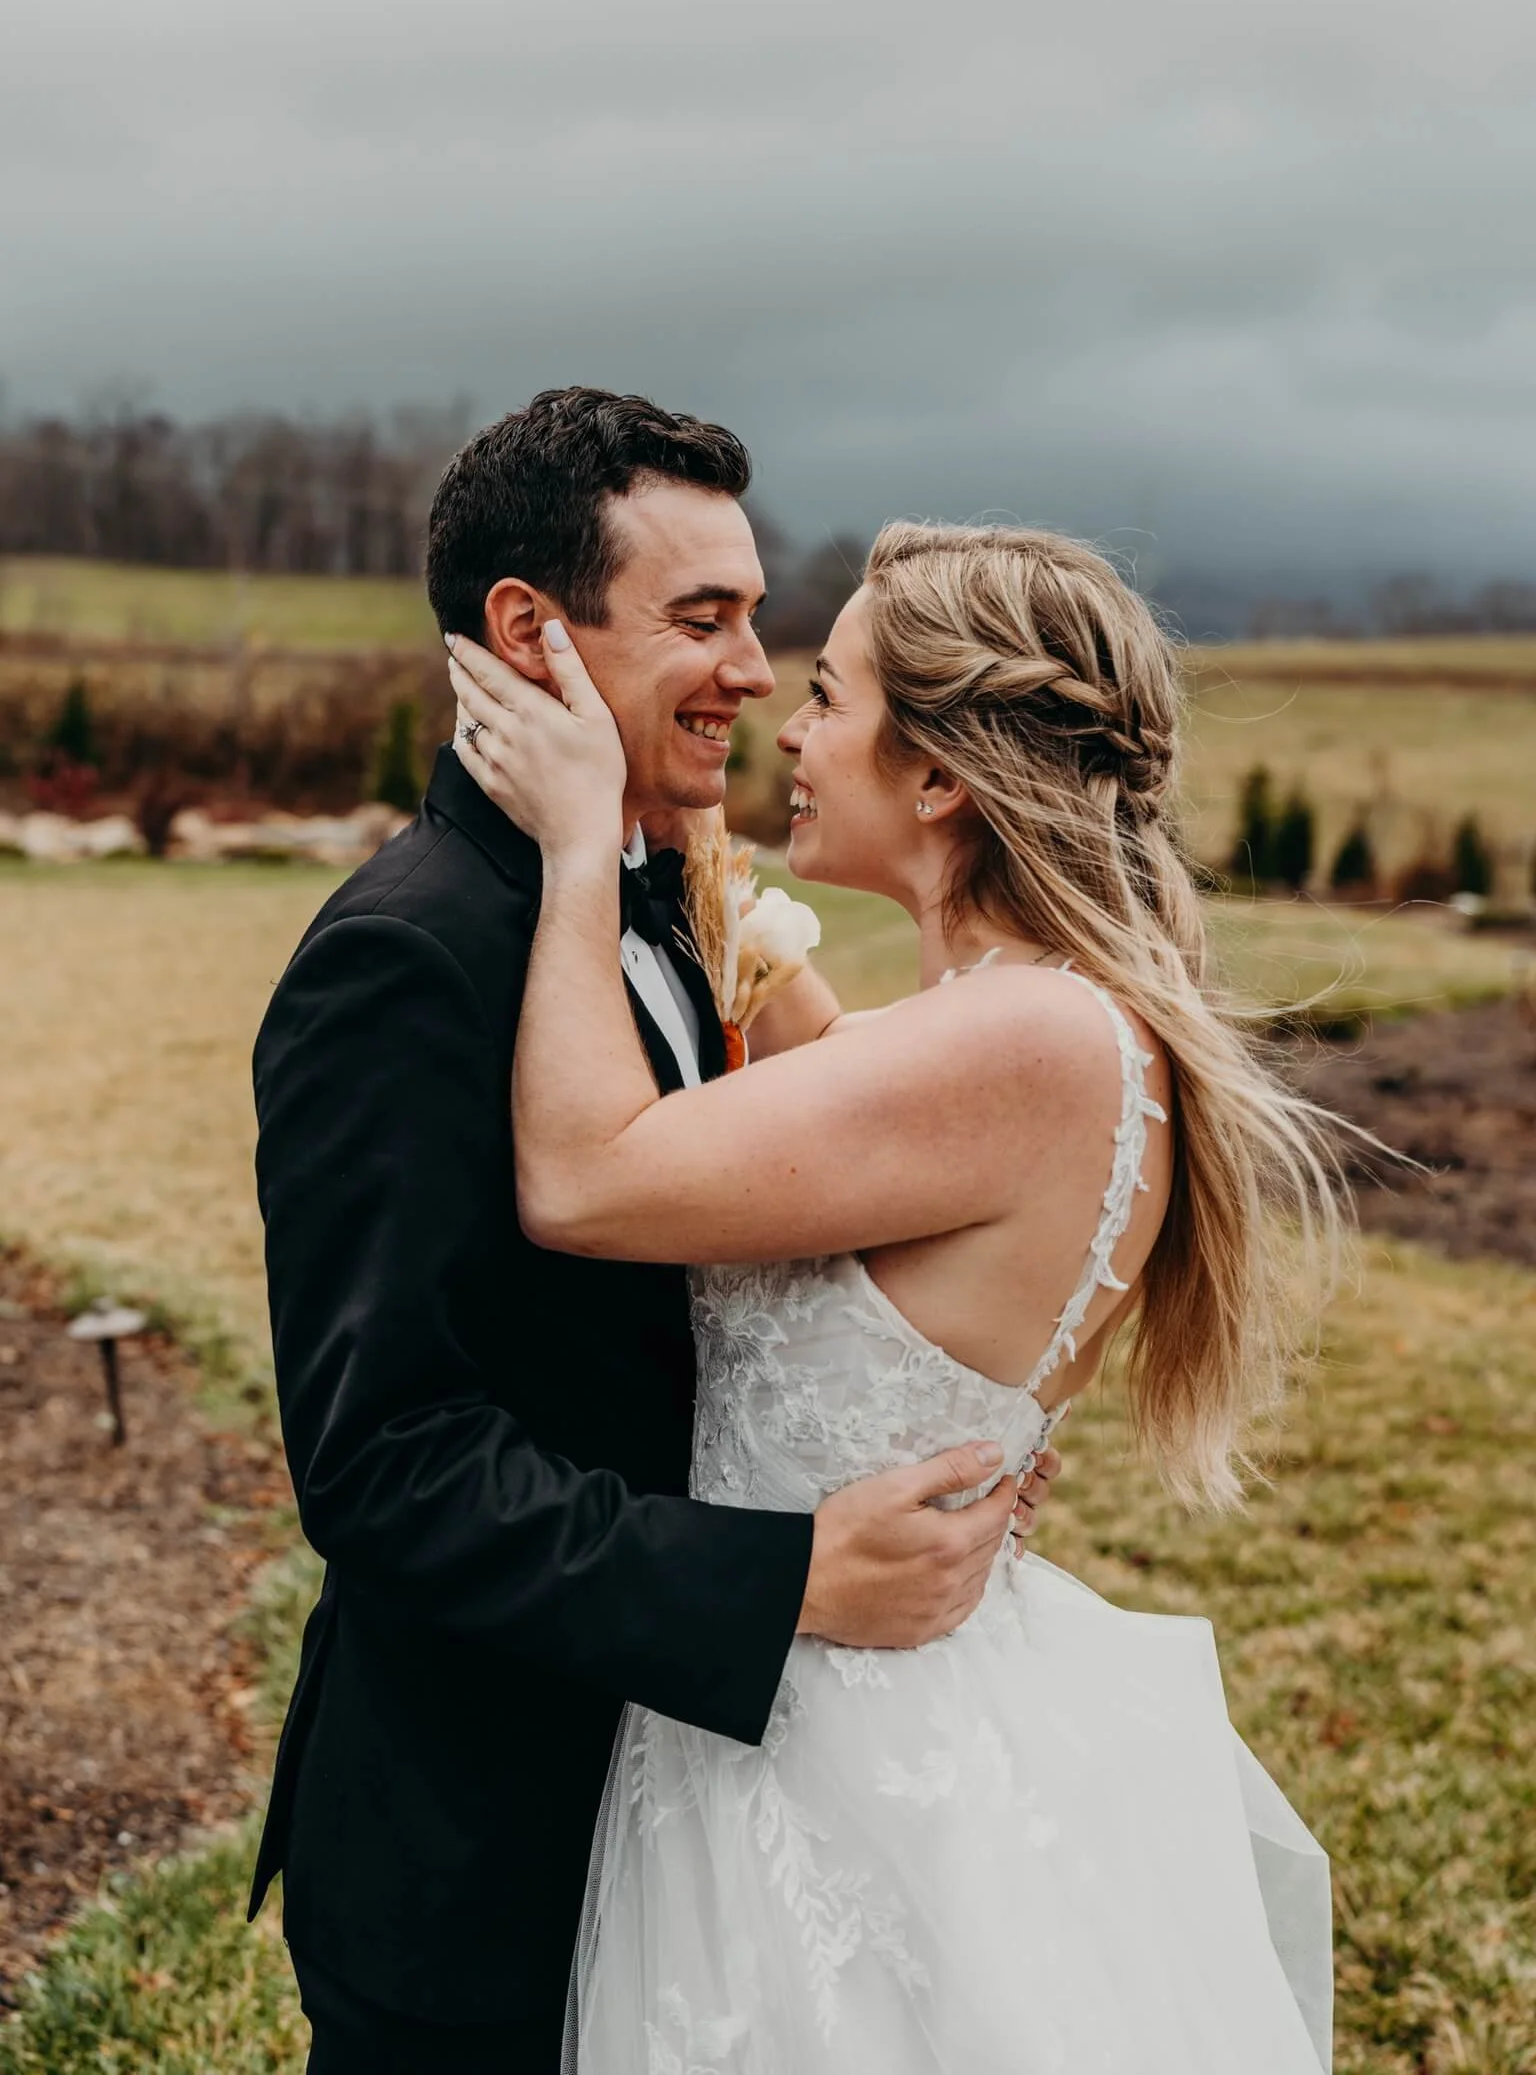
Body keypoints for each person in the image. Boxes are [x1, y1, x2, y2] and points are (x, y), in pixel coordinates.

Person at [445, 515, 1344, 2073]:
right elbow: (822, 1074)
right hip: (816, 1695)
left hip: (846, 1768)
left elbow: (585, 1177)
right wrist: (674, 804)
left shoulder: (1027, 1041)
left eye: (830, 697)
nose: (787, 727)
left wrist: (585, 845)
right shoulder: (1010, 1020)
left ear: (938, 778)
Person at [248, 391, 1059, 2075]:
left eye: (756, 616)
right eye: (702, 618)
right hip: (485, 1855)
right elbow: (385, 1460)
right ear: (529, 632)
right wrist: (790, 1575)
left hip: (707, 1835)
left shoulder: (657, 897)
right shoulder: (405, 958)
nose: (754, 671)